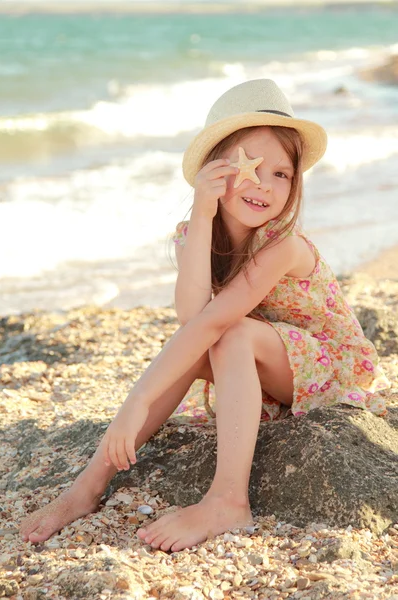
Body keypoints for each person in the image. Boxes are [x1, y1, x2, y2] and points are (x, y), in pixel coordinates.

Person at [20, 79, 390, 553]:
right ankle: (85, 488)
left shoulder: (284, 246)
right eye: (252, 167)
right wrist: (201, 211)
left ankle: (228, 500)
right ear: (215, 166)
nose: (266, 185)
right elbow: (191, 317)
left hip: (332, 368)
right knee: (202, 344)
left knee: (229, 332)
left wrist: (136, 401)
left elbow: (213, 323)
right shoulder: (195, 234)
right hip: (267, 361)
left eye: (283, 174)